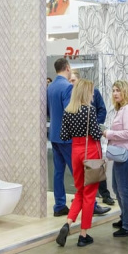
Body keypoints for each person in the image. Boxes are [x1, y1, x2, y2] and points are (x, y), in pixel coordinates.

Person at [55, 79, 105, 248]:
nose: (93, 95)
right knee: (89, 194)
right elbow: (96, 135)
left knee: (80, 191)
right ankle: (83, 235)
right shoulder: (89, 110)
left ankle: (68, 223)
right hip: (90, 151)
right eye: (91, 92)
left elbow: (64, 135)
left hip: (75, 151)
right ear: (86, 93)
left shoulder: (68, 111)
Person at [103, 80, 128, 238]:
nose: (115, 93)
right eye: (113, 90)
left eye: (118, 90)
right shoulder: (123, 109)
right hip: (123, 154)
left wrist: (108, 134)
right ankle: (125, 218)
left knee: (124, 190)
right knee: (118, 188)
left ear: (125, 91)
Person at [70, 70, 114, 207]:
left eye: (73, 80)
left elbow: (102, 110)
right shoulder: (71, 95)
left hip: (92, 138)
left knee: (96, 166)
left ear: (79, 80)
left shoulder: (94, 92)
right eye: (69, 81)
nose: (71, 83)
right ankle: (83, 196)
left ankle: (104, 194)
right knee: (80, 171)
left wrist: (93, 124)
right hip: (78, 140)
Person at [47, 58, 74, 217]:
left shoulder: (50, 87)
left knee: (58, 172)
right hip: (67, 137)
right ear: (67, 68)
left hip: (54, 135)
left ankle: (59, 205)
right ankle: (90, 204)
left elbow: (48, 111)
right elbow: (70, 112)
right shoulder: (68, 87)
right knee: (78, 171)